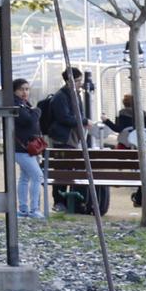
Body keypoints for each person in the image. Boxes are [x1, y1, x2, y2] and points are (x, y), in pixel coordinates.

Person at [39, 67, 106, 214]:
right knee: (63, 168)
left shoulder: (73, 94)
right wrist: (83, 120)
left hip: (70, 136)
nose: (80, 83)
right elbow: (64, 118)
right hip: (63, 137)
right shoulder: (61, 97)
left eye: (80, 80)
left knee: (66, 168)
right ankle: (59, 200)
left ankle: (65, 200)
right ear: (68, 81)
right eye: (77, 81)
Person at [11, 78, 48, 219]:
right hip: (22, 149)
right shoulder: (16, 105)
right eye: (21, 89)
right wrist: (37, 111)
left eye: (27, 89)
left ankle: (24, 209)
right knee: (37, 176)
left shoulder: (23, 104)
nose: (25, 92)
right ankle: (34, 209)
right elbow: (29, 120)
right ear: (15, 90)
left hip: (26, 149)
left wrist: (34, 111)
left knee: (25, 178)